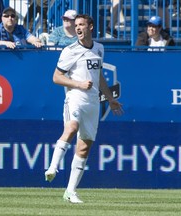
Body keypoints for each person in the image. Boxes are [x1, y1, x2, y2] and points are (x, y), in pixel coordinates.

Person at [44, 14, 124, 203]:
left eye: (81, 25)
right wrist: (79, 84)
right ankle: (53, 167)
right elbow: (56, 77)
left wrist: (110, 99)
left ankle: (70, 192)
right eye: (76, 25)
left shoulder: (99, 48)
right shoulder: (70, 50)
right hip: (75, 97)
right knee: (71, 127)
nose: (78, 28)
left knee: (84, 147)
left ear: (91, 27)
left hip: (93, 102)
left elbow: (99, 76)